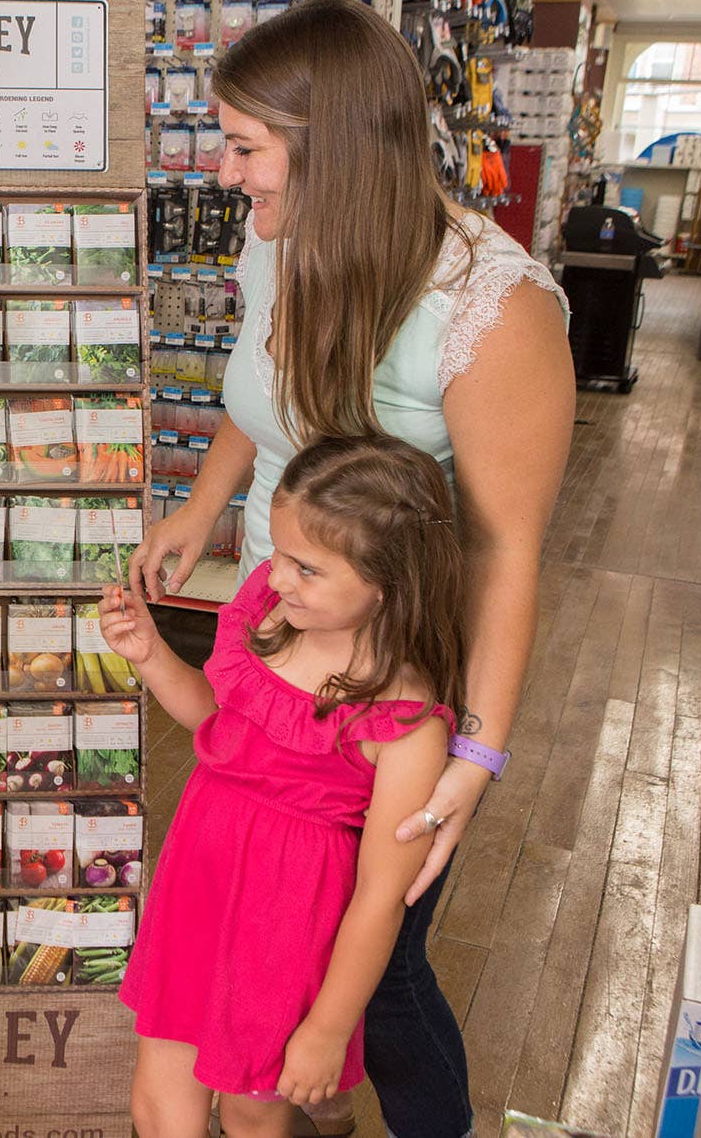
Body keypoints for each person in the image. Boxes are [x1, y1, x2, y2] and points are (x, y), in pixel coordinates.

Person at [129, 0, 574, 1137]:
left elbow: (503, 548)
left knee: (373, 964)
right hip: (270, 625)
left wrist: (471, 752)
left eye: (243, 147)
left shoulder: (492, 306)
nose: (223, 174)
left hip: (383, 693)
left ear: (330, 151)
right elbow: (253, 396)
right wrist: (199, 509)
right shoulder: (278, 237)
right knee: (264, 928)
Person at [106, 436, 467, 1138]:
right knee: (157, 1105)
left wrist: (329, 1028)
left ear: (387, 582)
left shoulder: (405, 722)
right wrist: (152, 657)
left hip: (284, 929)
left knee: (251, 1111)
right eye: (277, 551)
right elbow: (219, 725)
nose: (277, 575)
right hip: (197, 887)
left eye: (307, 566)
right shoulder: (267, 613)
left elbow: (379, 897)